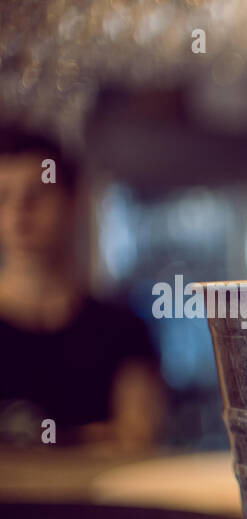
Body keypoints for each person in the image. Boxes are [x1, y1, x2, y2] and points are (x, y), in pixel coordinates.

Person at [0, 128, 163, 448]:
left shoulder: (122, 330)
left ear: (73, 202)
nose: (19, 213)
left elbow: (137, 440)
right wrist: (87, 438)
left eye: (37, 193)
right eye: (3, 197)